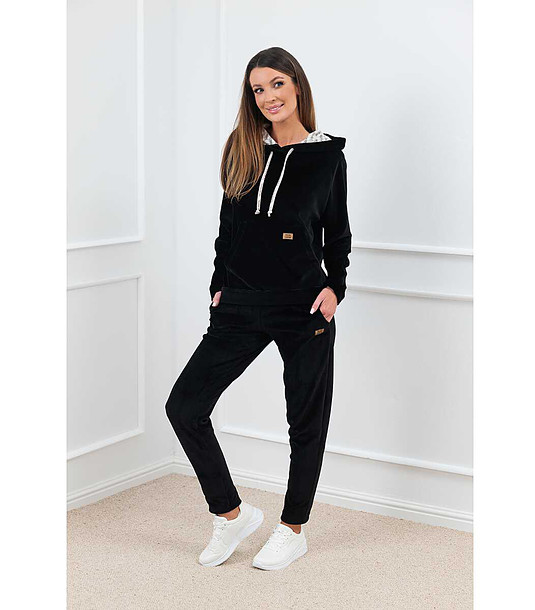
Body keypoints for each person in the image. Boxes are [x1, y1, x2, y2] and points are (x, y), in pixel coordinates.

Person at [165, 46, 351, 571]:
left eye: (276, 84)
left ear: (297, 85)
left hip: (304, 306)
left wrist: (335, 287)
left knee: (305, 423)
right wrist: (219, 288)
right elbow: (227, 230)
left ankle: (293, 529)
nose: (268, 97)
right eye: (257, 89)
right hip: (241, 304)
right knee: (184, 406)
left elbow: (337, 233)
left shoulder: (327, 156)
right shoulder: (241, 148)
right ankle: (231, 514)